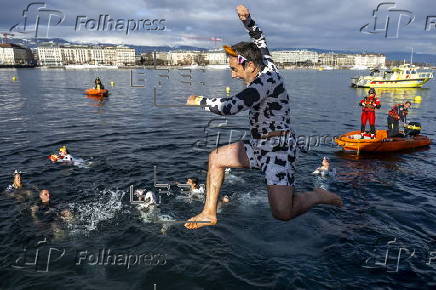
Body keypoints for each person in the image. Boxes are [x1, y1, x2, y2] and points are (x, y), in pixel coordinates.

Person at [184, 5, 342, 230]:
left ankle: (318, 195)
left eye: (234, 69)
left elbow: (231, 107)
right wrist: (247, 20)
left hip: (279, 149)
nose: (232, 74)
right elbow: (259, 39)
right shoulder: (264, 61)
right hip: (259, 144)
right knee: (216, 158)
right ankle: (209, 212)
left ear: (249, 65)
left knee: (282, 214)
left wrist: (200, 101)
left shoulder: (264, 82)